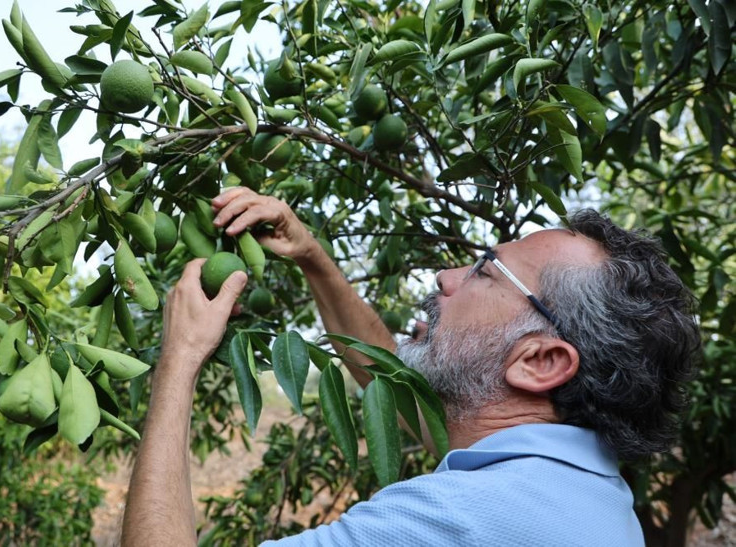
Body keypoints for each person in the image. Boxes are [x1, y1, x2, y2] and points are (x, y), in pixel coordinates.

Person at [121, 188, 700, 546]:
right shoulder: (572, 483)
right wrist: (313, 257)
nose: (448, 277)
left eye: (485, 270)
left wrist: (180, 358)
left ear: (541, 361)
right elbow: (399, 390)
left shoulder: (466, 520)